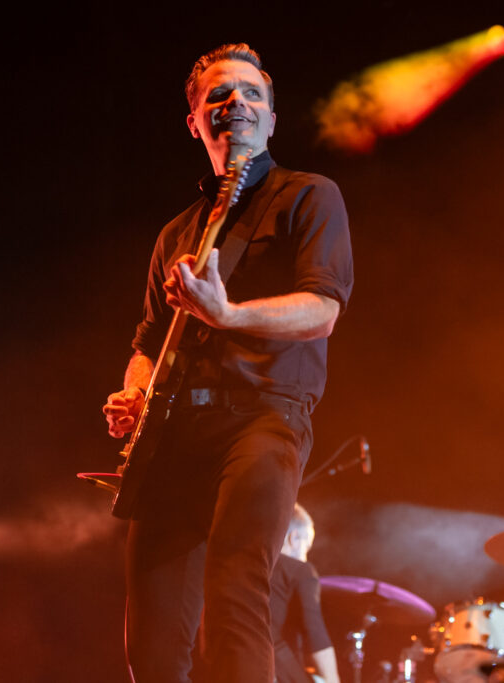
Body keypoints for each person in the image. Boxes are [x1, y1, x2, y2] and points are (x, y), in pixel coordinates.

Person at [101, 43, 354, 683]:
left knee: (236, 592)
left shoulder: (310, 196)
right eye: (218, 94)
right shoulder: (174, 235)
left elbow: (322, 309)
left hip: (263, 418)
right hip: (174, 436)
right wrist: (135, 392)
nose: (235, 101)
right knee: (151, 643)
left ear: (271, 117)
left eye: (251, 93)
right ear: (195, 122)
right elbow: (147, 342)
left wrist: (229, 315)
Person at [270, 504, 341, 683]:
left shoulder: (248, 566)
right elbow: (315, 632)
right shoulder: (300, 570)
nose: (306, 556)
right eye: (306, 546)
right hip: (271, 666)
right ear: (294, 538)